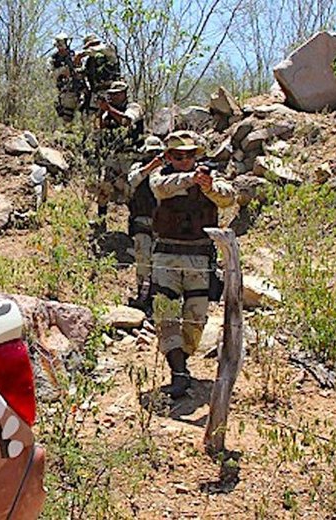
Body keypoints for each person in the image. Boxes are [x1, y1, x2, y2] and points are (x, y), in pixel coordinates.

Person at [145, 131, 236, 398]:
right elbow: (161, 188)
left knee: (196, 319)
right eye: (178, 156)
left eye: (189, 155)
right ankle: (179, 371)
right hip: (166, 256)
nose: (184, 160)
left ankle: (181, 361)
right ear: (169, 156)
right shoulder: (160, 175)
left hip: (199, 257)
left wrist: (207, 186)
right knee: (166, 314)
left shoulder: (211, 177)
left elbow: (228, 198)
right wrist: (192, 179)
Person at [91, 80, 144, 223]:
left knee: (132, 191)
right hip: (113, 155)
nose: (113, 97)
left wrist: (108, 109)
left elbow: (126, 122)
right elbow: (101, 128)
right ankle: (101, 220)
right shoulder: (109, 111)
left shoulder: (133, 107)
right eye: (111, 95)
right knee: (104, 187)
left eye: (117, 94)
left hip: (131, 155)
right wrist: (102, 110)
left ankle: (134, 224)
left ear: (124, 94)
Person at [126, 135, 165, 312]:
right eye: (150, 153)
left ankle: (157, 297)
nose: (153, 156)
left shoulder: (167, 170)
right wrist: (150, 167)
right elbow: (133, 181)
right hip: (142, 219)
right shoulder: (138, 167)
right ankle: (142, 295)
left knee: (160, 262)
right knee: (142, 260)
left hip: (162, 222)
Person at [78, 34, 121, 113]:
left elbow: (103, 50)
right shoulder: (89, 62)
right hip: (96, 94)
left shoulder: (109, 51)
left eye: (93, 45)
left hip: (113, 91)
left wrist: (84, 53)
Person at [50, 33, 84, 123]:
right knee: (66, 118)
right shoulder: (53, 59)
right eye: (58, 46)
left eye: (62, 45)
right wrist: (62, 71)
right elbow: (50, 75)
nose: (60, 48)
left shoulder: (75, 55)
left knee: (86, 113)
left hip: (80, 89)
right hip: (65, 91)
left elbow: (84, 70)